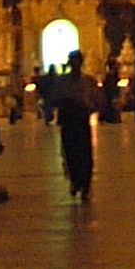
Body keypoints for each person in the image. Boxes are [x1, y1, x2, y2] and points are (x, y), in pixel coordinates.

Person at [55, 47, 97, 199]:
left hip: (81, 119)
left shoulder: (88, 81)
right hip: (69, 119)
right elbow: (56, 99)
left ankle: (84, 183)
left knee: (84, 153)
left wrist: (88, 106)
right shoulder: (62, 81)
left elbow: (95, 100)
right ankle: (75, 180)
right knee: (70, 152)